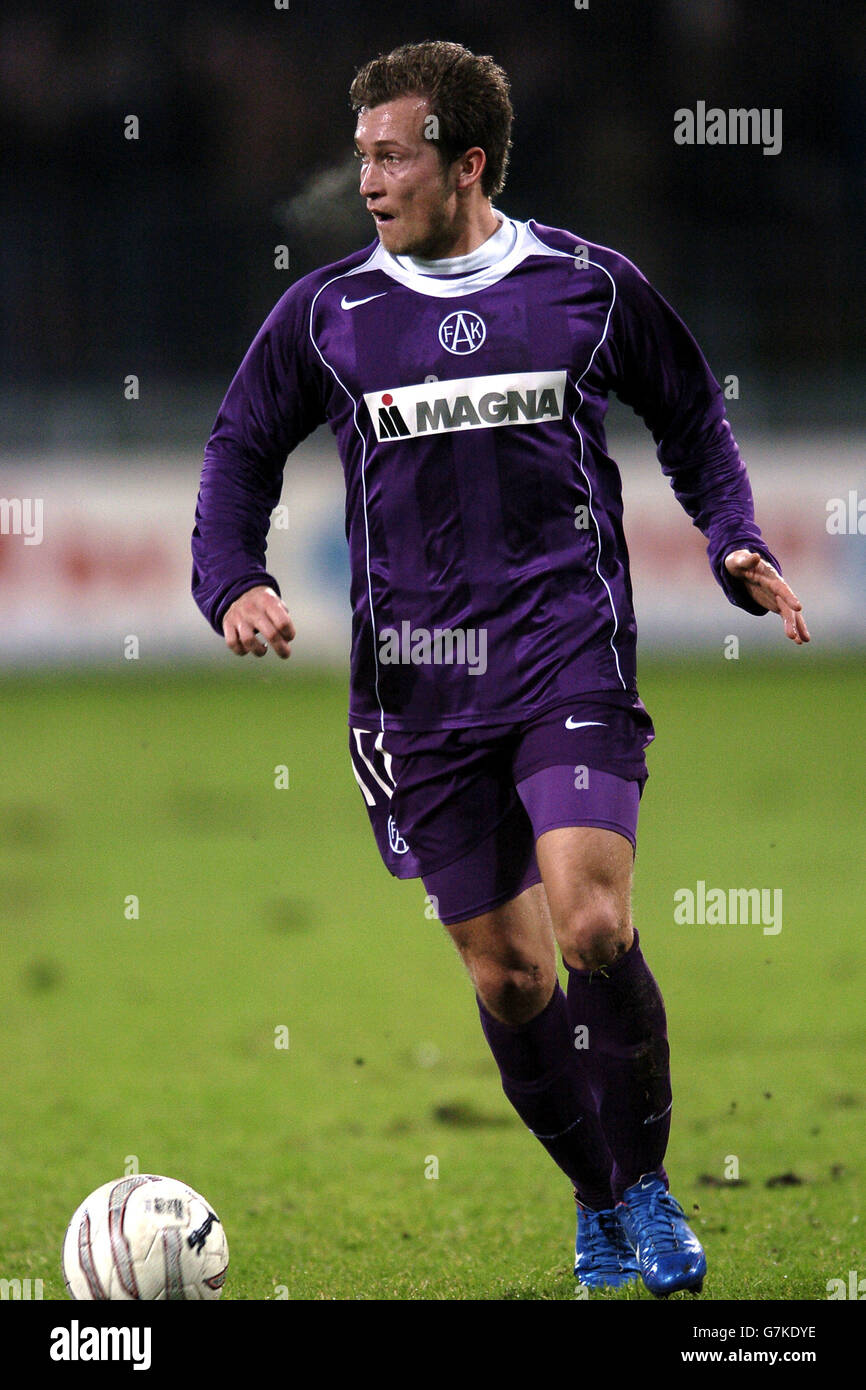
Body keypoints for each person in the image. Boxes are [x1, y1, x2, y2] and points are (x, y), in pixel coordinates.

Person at [191, 40, 809, 1297]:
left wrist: (732, 535)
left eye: (391, 156)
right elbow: (237, 453)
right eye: (358, 156)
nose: (366, 180)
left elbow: (689, 410)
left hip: (562, 648)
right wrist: (232, 580)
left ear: (466, 162)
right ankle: (595, 1199)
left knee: (589, 922)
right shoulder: (326, 316)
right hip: (417, 688)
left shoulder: (583, 286)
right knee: (512, 973)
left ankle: (642, 1190)